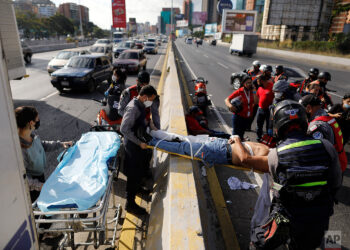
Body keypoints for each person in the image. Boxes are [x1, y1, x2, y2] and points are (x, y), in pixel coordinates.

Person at [233, 100, 342, 249]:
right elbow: (336, 182)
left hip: (291, 218)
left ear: (278, 126)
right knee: (323, 241)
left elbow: (246, 159)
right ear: (305, 121)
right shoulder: (327, 146)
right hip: (322, 213)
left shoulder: (276, 155)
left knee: (258, 241)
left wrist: (236, 139)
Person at [15, 106, 73, 203]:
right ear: (31, 123)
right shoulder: (21, 149)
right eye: (37, 119)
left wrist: (60, 144)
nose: (38, 121)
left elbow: (42, 144)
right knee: (40, 210)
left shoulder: (32, 136)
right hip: (33, 188)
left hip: (40, 178)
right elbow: (24, 179)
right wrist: (41, 186)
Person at [120, 85, 158, 215]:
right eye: (150, 99)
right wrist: (139, 142)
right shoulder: (133, 108)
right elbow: (124, 129)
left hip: (139, 143)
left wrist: (150, 123)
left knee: (141, 168)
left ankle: (138, 189)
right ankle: (130, 204)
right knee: (133, 174)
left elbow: (141, 121)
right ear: (144, 97)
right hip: (132, 145)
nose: (151, 102)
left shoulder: (141, 105)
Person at [148, 130, 270, 166]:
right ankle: (153, 133)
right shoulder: (271, 151)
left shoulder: (270, 160)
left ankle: (150, 141)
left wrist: (237, 140)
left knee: (182, 147)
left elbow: (244, 158)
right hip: (220, 144)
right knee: (183, 139)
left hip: (219, 152)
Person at [300, 94, 348, 173]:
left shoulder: (317, 126)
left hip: (330, 167)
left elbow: (314, 152)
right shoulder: (327, 117)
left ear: (308, 108)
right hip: (338, 160)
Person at [225, 75, 255, 140]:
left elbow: (256, 102)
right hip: (238, 117)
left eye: (250, 82)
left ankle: (240, 147)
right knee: (235, 136)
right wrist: (230, 106)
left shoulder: (252, 91)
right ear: (244, 83)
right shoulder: (240, 91)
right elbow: (227, 99)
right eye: (248, 83)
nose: (249, 84)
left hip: (247, 117)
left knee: (241, 134)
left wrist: (255, 91)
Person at [255, 65, 274, 141]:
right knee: (259, 125)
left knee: (268, 126)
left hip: (269, 110)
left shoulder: (272, 86)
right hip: (260, 109)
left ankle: (267, 138)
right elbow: (257, 97)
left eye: (258, 81)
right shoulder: (259, 88)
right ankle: (259, 137)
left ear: (263, 81)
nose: (257, 83)